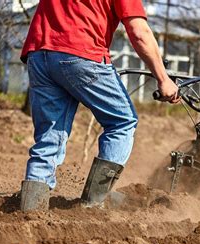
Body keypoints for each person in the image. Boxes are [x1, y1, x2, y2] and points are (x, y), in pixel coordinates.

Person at [19, 0, 180, 211]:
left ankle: (30, 208)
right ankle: (94, 202)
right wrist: (163, 78)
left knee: (50, 135)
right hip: (81, 52)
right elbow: (139, 32)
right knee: (122, 121)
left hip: (39, 53)